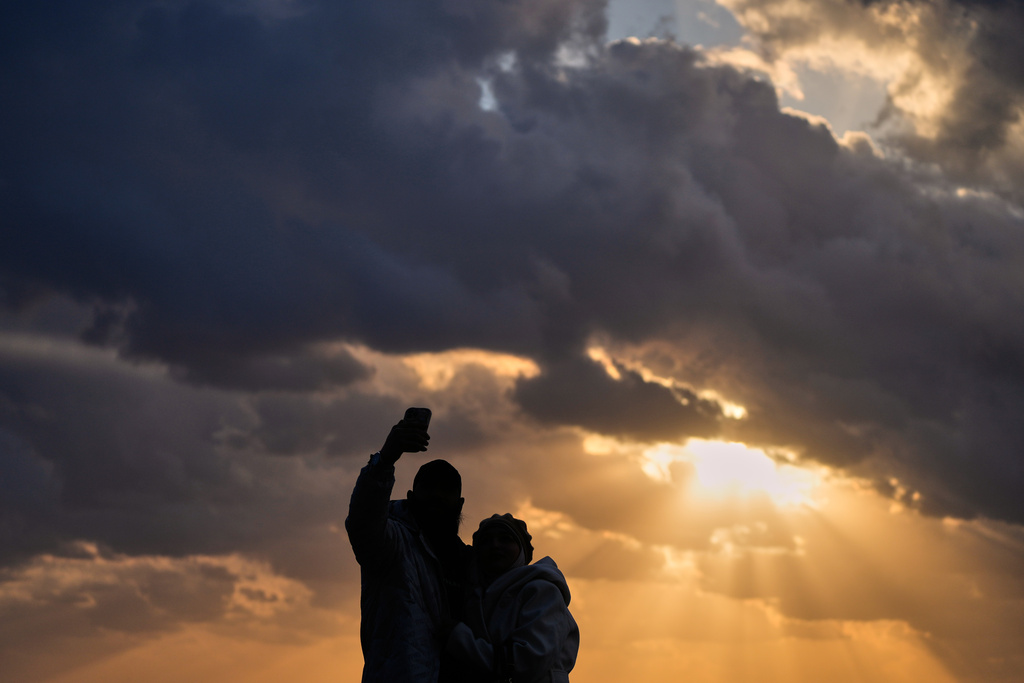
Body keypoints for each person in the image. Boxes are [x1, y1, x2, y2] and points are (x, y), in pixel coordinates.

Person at [346, 416, 470, 683]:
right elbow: (363, 522)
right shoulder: (391, 545)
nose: (437, 495)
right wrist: (386, 458)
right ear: (412, 499)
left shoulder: (469, 562)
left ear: (460, 505)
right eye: (429, 488)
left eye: (445, 490)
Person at [446, 514, 580, 683]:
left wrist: (460, 639)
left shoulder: (542, 591)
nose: (495, 545)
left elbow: (529, 661)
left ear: (522, 550)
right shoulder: (474, 595)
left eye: (505, 539)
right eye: (486, 541)